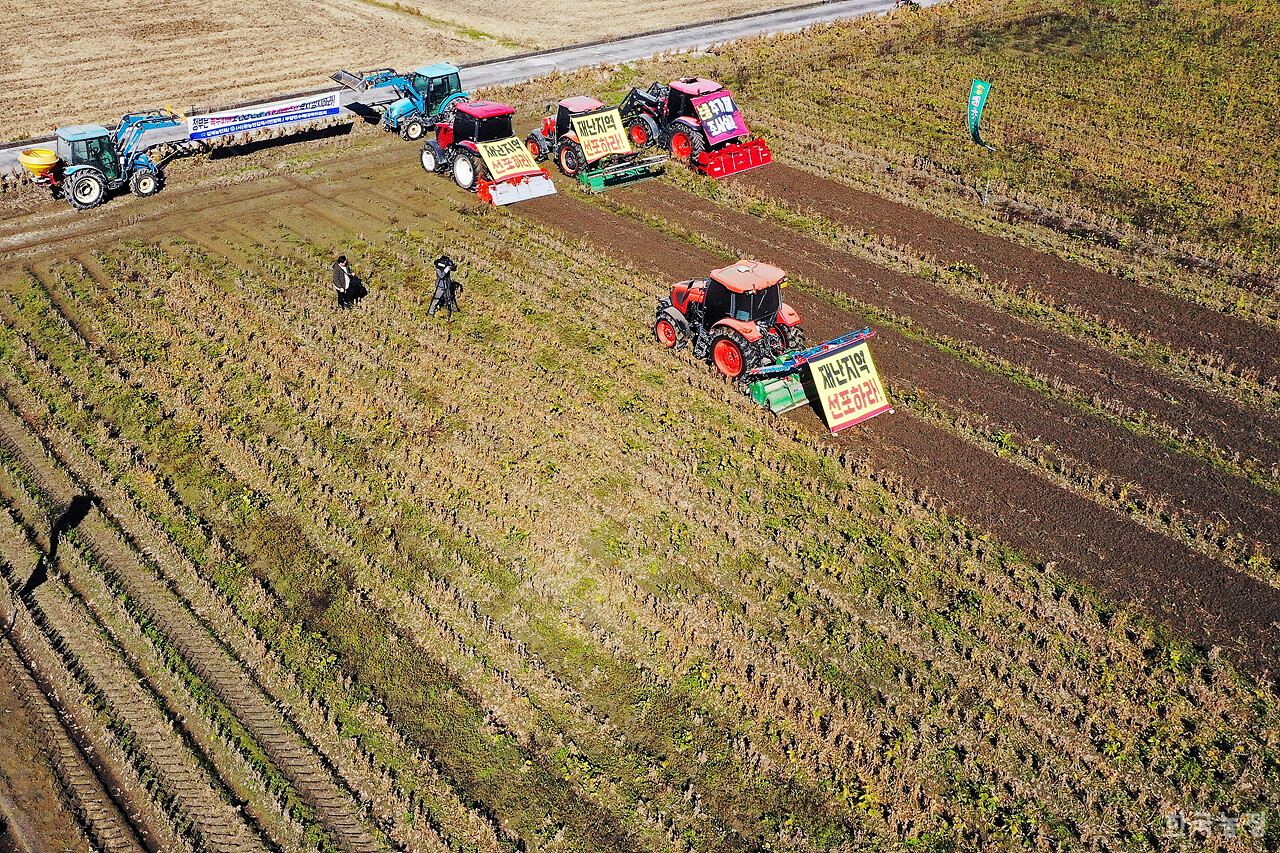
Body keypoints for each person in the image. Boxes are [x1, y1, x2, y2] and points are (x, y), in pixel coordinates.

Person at [429, 254, 462, 318]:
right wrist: (446, 270)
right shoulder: (438, 268)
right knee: (436, 299)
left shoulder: (446, 266)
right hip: (440, 287)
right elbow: (441, 276)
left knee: (448, 299)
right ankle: (431, 311)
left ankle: (450, 309)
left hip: (447, 286)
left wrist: (450, 267)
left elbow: (454, 269)